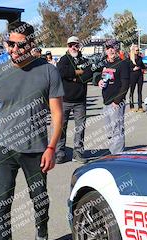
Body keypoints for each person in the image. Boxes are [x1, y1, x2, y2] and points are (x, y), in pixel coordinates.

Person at [0, 21, 63, 240]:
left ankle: (41, 223)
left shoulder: (48, 71)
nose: (14, 49)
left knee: (40, 198)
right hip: (5, 148)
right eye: (10, 44)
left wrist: (51, 148)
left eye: (20, 44)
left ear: (32, 44)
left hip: (36, 149)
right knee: (2, 202)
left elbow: (57, 114)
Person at [55, 36, 92, 164]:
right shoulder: (64, 59)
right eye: (71, 45)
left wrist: (73, 77)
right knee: (61, 127)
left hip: (80, 101)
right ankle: (60, 153)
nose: (73, 47)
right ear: (68, 46)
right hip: (64, 99)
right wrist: (78, 72)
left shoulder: (85, 60)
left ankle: (78, 152)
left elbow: (89, 75)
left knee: (80, 128)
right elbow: (61, 72)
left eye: (75, 45)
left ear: (79, 45)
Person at [97, 40, 130, 154]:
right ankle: (112, 151)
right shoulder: (104, 63)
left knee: (117, 129)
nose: (110, 50)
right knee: (109, 130)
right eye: (108, 48)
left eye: (112, 48)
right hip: (106, 101)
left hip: (116, 102)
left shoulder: (122, 63)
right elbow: (95, 76)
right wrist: (98, 81)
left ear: (116, 49)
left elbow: (125, 85)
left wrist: (117, 101)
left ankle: (117, 154)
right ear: (105, 50)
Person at [128, 44, 146, 112]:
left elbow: (143, 66)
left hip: (140, 76)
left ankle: (140, 106)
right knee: (131, 91)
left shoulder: (140, 57)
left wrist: (142, 68)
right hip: (132, 76)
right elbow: (126, 68)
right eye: (136, 50)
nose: (138, 51)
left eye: (138, 50)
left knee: (139, 91)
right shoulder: (129, 59)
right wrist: (133, 69)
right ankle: (131, 106)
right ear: (133, 50)